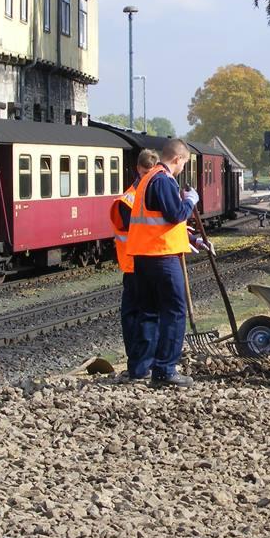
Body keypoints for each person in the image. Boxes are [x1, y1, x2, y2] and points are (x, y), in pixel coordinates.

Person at [126, 138, 199, 387]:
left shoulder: (146, 179)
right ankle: (165, 369)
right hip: (162, 256)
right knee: (174, 312)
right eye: (183, 164)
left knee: (148, 311)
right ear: (177, 159)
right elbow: (175, 215)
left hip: (143, 256)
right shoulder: (164, 179)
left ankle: (140, 368)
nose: (182, 170)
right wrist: (190, 200)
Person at [110, 149, 159, 379]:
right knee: (140, 317)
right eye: (147, 171)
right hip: (135, 265)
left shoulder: (146, 194)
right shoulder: (130, 200)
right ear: (139, 170)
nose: (150, 175)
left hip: (143, 263)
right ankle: (140, 365)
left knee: (139, 316)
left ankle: (141, 364)